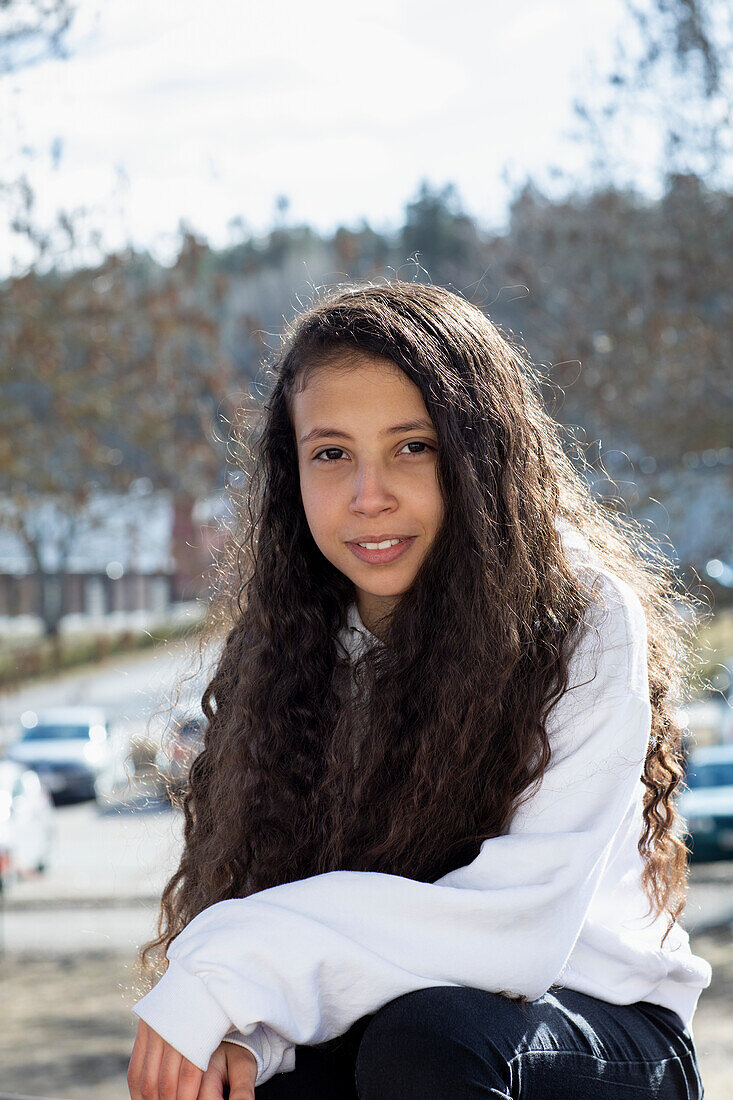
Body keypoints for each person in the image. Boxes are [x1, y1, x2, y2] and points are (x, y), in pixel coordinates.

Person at [127, 280, 711, 1099]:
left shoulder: (575, 615)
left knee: (426, 1041)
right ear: (291, 472)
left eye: (413, 447)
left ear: (478, 456)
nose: (370, 496)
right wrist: (249, 1037)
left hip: (600, 1036)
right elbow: (309, 919)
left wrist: (229, 964)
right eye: (332, 454)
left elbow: (517, 938)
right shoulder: (290, 648)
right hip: (396, 1034)